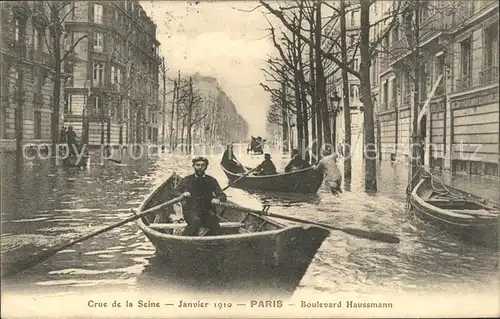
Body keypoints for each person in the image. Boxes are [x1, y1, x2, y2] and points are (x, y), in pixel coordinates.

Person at [174, 157, 228, 236]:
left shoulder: (211, 180)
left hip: (207, 210)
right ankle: (181, 243)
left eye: (203, 165)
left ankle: (219, 244)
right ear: (193, 166)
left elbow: (222, 195)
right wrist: (182, 195)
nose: (200, 167)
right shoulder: (187, 180)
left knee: (214, 223)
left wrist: (218, 199)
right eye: (197, 165)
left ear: (206, 167)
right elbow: (174, 192)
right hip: (190, 210)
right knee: (195, 222)